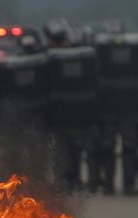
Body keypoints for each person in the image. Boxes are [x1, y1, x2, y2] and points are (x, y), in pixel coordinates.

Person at [45, 20, 100, 192]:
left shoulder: (53, 58)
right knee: (71, 150)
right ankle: (77, 181)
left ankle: (70, 181)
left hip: (69, 113)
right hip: (77, 113)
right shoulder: (87, 59)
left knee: (69, 150)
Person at [94, 27, 138, 195]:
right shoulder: (135, 67)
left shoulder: (104, 66)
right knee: (121, 147)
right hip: (121, 113)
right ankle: (123, 185)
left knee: (120, 148)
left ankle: (117, 185)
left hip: (120, 113)